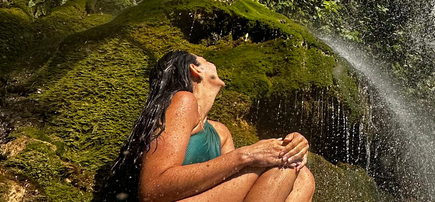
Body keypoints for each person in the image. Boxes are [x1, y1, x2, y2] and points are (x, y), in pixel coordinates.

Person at [103, 51, 315, 202]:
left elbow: (236, 185)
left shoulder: (220, 132)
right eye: (205, 60)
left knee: (301, 173)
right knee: (281, 163)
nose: (212, 62)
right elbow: (152, 190)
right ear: (195, 69)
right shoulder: (183, 101)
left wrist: (291, 145)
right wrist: (247, 155)